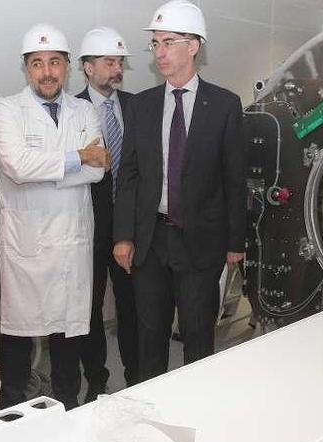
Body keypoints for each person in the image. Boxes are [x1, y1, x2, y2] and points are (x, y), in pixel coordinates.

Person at [113, 0, 247, 381]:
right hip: (151, 240)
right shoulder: (142, 106)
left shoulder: (223, 105)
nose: (159, 52)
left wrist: (235, 242)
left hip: (202, 242)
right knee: (149, 335)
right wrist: (123, 235)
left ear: (194, 46)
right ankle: (148, 410)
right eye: (155, 43)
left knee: (197, 335)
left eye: (168, 42)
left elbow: (233, 179)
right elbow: (130, 175)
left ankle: (196, 408)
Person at [0, 24, 109, 411]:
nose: (47, 71)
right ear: (26, 69)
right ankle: (9, 414)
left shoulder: (85, 110)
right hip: (28, 247)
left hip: (72, 245)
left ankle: (67, 412)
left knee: (67, 340)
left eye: (55, 62)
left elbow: (99, 170)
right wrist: (76, 159)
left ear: (68, 67)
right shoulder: (7, 109)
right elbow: (17, 166)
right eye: (38, 63)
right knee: (17, 340)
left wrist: (43, 173)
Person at [74, 27, 138, 398]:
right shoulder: (72, 111)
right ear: (87, 68)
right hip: (89, 228)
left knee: (132, 306)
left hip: (129, 228)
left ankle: (136, 377)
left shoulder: (137, 106)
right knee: (90, 310)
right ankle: (96, 380)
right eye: (109, 62)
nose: (117, 69)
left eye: (120, 63)